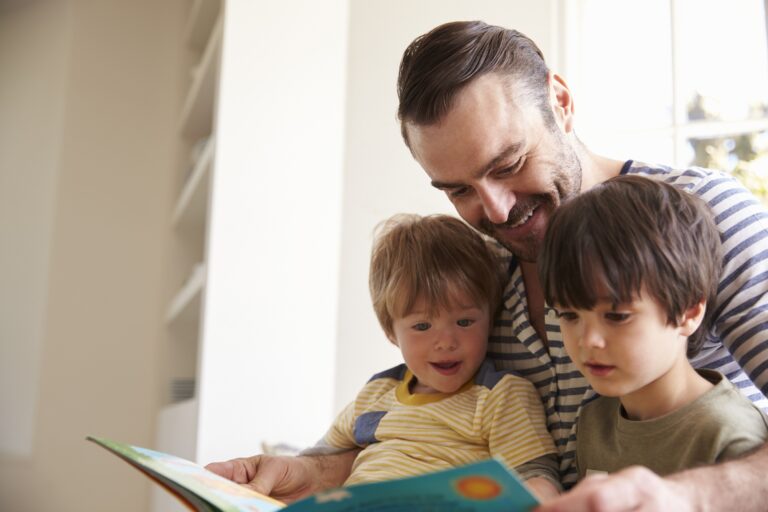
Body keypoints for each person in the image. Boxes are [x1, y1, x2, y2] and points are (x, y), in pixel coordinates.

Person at [208, 20, 768, 511]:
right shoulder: (476, 267)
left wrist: (685, 497)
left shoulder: (704, 214)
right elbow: (434, 430)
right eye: (458, 190)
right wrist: (312, 473)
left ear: (561, 103)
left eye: (510, 163)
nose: (497, 210)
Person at [306, 213, 561, 499]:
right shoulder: (376, 393)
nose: (445, 342)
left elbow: (536, 479)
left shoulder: (499, 396)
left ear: (491, 319)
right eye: (422, 326)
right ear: (391, 331)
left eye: (464, 322)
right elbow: (315, 460)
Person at [539, 175, 768, 478]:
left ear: (689, 313)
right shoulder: (593, 422)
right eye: (568, 315)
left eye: (617, 316)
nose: (589, 340)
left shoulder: (732, 436)